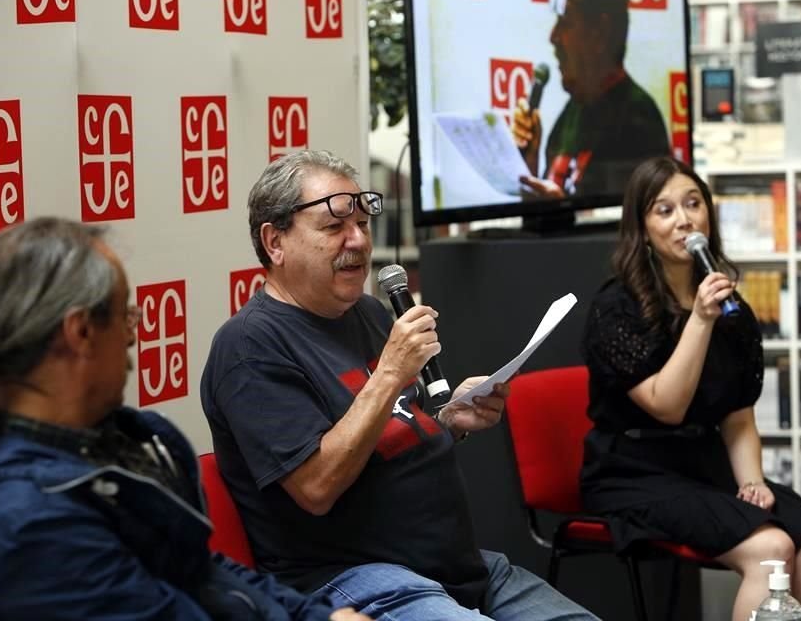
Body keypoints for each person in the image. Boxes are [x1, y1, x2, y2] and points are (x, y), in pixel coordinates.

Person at [200, 150, 598, 621]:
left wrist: (450, 420)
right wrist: (389, 372)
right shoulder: (249, 346)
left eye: (363, 224)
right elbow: (316, 485)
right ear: (275, 242)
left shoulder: (366, 313)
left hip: (460, 569)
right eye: (333, 227)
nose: (358, 241)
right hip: (354, 583)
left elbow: (387, 432)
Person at [0, 217, 370, 621]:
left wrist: (318, 616)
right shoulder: (28, 524)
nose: (135, 336)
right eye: (125, 315)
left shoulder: (103, 447)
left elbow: (200, 569)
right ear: (81, 332)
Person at [579, 157, 801, 621]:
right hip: (634, 472)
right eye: (665, 209)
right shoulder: (615, 310)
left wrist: (751, 479)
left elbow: (737, 416)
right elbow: (666, 406)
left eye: (693, 204)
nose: (684, 220)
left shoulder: (731, 310)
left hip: (703, 463)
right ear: (642, 227)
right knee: (771, 548)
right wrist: (699, 320)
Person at [512, 0, 670, 198]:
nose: (553, 37)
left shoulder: (638, 119)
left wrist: (560, 210)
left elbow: (630, 224)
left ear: (599, 32)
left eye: (565, 22)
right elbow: (546, 226)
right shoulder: (571, 114)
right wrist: (529, 167)